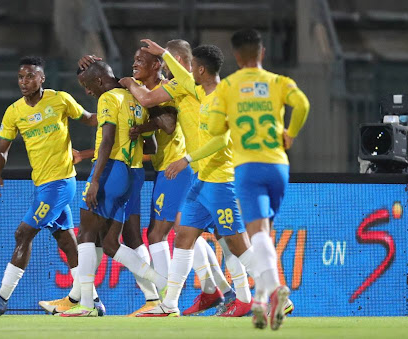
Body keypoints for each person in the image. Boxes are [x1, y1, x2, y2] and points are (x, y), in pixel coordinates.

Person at [120, 40, 246, 317]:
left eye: (165, 62)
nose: (164, 68)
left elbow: (152, 105)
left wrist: (127, 82)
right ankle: (214, 293)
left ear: (180, 61)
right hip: (196, 169)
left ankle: (247, 292)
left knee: (174, 233)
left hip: (191, 168)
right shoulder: (191, 86)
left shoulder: (186, 86)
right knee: (196, 233)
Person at [0, 56, 97, 315]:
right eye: (21, 77)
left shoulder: (60, 99)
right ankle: (92, 300)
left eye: (30, 76)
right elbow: (2, 149)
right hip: (43, 185)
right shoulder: (14, 111)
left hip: (60, 183)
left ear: (42, 78)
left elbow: (88, 118)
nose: (24, 81)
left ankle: (1, 297)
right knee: (67, 241)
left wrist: (113, 111)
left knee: (23, 233)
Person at [208, 29, 309, 330]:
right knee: (266, 230)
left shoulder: (227, 86)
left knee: (259, 234)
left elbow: (214, 128)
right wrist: (290, 133)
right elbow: (302, 104)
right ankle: (263, 297)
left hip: (248, 167)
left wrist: (226, 120)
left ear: (237, 56)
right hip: (278, 166)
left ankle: (274, 291)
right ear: (262, 53)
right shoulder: (279, 82)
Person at [60, 60, 167, 317]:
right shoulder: (135, 96)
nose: (87, 92)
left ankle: (85, 304)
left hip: (111, 170)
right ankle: (165, 284)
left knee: (86, 234)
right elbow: (150, 145)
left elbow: (107, 139)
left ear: (98, 81)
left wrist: (95, 179)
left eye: (87, 86)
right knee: (110, 243)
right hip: (134, 173)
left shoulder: (107, 98)